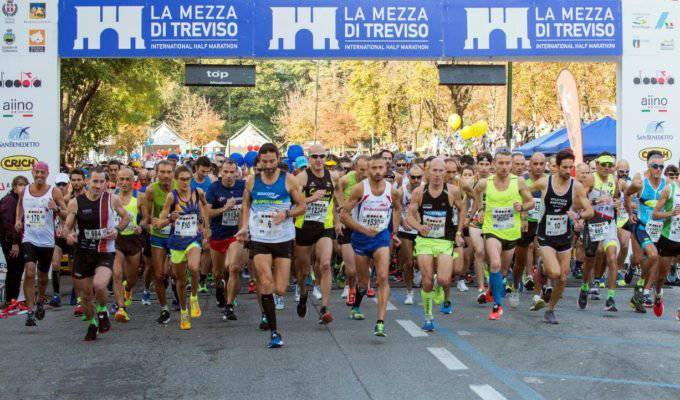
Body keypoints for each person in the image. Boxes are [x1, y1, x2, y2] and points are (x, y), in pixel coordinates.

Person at [236, 143, 306, 348]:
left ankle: (299, 293)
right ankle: (275, 332)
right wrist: (244, 228)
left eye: (272, 161)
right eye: (264, 162)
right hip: (260, 238)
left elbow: (302, 206)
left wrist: (286, 214)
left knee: (281, 289)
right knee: (265, 282)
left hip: (283, 238)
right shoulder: (251, 181)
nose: (268, 165)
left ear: (278, 160)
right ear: (259, 161)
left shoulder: (288, 180)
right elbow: (246, 205)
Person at [63, 167, 130, 341]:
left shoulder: (112, 199)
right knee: (85, 296)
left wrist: (116, 229)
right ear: (87, 182)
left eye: (102, 182)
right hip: (83, 252)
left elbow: (126, 218)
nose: (98, 185)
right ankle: (92, 323)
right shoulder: (76, 202)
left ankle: (102, 311)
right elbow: (67, 227)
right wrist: (69, 235)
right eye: (95, 181)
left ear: (106, 183)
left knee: (100, 286)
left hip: (104, 250)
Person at [341, 153, 402, 337]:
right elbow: (344, 215)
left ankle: (380, 322)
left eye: (381, 168)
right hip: (361, 238)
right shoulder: (360, 189)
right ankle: (356, 305)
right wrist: (362, 229)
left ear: (386, 169)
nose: (377, 171)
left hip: (382, 237)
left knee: (383, 277)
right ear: (367, 170)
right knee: (363, 282)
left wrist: (395, 231)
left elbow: (397, 209)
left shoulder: (393, 191)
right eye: (373, 168)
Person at [530, 150, 593, 323]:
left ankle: (550, 310)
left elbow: (589, 210)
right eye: (564, 167)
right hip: (545, 235)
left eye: (570, 167)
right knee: (555, 272)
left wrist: (578, 217)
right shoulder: (545, 182)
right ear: (557, 167)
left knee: (563, 278)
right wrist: (522, 206)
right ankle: (543, 267)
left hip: (564, 236)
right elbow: (524, 191)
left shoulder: (576, 186)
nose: (568, 171)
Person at [473, 148, 534, 320]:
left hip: (511, 232)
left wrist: (522, 207)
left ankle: (492, 290)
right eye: (501, 163)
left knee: (504, 271)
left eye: (508, 163)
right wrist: (481, 208)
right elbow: (476, 192)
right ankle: (497, 306)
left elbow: (530, 202)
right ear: (494, 164)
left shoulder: (519, 182)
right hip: (492, 230)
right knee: (494, 263)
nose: (505, 167)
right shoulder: (486, 182)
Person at [406, 158, 465, 331]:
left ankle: (440, 288)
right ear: (427, 171)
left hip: (445, 240)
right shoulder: (419, 192)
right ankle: (428, 316)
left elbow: (462, 210)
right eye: (434, 170)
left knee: (444, 279)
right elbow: (409, 216)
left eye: (441, 171)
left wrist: (459, 232)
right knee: (426, 280)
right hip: (425, 241)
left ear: (445, 173)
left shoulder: (453, 191)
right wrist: (419, 226)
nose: (438, 175)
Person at [15, 162, 68, 326]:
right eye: (36, 172)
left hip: (47, 241)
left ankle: (40, 301)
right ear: (32, 172)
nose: (39, 175)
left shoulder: (54, 191)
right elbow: (19, 206)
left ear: (47, 174)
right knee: (30, 272)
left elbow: (67, 214)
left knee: (43, 276)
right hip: (29, 238)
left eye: (42, 173)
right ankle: (30, 311)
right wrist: (18, 219)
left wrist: (56, 209)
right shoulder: (25, 190)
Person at [294, 144, 341, 324]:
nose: (319, 160)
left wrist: (337, 222)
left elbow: (336, 202)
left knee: (326, 264)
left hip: (324, 227)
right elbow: (295, 204)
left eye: (322, 156)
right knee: (303, 270)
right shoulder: (301, 178)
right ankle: (304, 293)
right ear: (309, 159)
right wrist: (311, 198)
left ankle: (324, 308)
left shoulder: (333, 177)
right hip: (304, 227)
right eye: (315, 156)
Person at [156, 166, 208, 330]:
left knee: (193, 267)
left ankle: (194, 297)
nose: (185, 182)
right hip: (177, 241)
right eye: (182, 179)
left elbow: (205, 207)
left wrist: (205, 226)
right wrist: (170, 219)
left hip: (193, 238)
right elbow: (159, 222)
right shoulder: (172, 197)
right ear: (176, 180)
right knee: (180, 280)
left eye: (187, 179)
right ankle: (184, 311)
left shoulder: (198, 192)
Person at [205, 160, 247, 321]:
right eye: (226, 172)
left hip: (235, 234)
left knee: (233, 268)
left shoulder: (243, 186)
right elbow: (207, 212)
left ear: (237, 173)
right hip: (218, 234)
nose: (229, 176)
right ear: (221, 172)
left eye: (232, 172)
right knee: (218, 272)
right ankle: (219, 288)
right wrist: (224, 208)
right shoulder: (214, 188)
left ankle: (229, 306)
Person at [625, 151, 667, 313]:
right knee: (652, 256)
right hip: (642, 227)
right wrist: (630, 213)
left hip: (659, 229)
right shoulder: (640, 183)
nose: (658, 169)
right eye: (655, 166)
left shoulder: (666, 184)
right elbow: (627, 194)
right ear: (648, 166)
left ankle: (640, 291)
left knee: (654, 264)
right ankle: (641, 288)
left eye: (661, 166)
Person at [511, 152, 546, 309]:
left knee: (542, 258)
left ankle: (537, 294)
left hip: (543, 224)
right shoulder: (523, 180)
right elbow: (519, 201)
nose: (538, 167)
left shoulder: (549, 181)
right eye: (535, 164)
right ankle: (515, 286)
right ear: (529, 165)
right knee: (520, 261)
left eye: (541, 164)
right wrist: (523, 216)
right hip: (526, 223)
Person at [111, 168, 145, 322]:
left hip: (133, 240)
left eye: (127, 179)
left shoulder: (140, 197)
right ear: (117, 180)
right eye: (121, 179)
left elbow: (146, 218)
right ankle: (121, 308)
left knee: (132, 278)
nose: (124, 182)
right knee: (117, 273)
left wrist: (141, 226)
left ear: (133, 181)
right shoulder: (111, 198)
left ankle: (128, 289)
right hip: (116, 240)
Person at [144, 160, 175, 324]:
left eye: (169, 172)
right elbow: (147, 215)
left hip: (177, 234)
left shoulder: (179, 187)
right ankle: (164, 309)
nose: (165, 175)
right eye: (162, 172)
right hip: (158, 235)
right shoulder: (151, 190)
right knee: (158, 274)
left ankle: (176, 288)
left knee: (174, 273)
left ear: (173, 173)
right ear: (156, 173)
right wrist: (150, 224)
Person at [337, 155, 369, 305]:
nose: (364, 173)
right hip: (348, 225)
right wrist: (341, 213)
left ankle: (362, 285)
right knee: (351, 269)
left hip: (364, 226)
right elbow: (336, 191)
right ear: (355, 168)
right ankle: (351, 289)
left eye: (367, 169)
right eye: (361, 169)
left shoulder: (373, 182)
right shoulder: (346, 179)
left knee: (363, 264)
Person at [652, 168, 680, 318]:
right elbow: (655, 214)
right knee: (662, 276)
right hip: (669, 238)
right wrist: (671, 213)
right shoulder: (670, 189)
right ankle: (657, 294)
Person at [0, 176, 28, 306]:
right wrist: (14, 243)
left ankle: (12, 299)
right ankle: (10, 300)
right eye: (20, 185)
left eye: (25, 185)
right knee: (14, 270)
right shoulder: (10, 201)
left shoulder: (21, 200)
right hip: (10, 241)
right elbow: (8, 224)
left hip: (19, 240)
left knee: (17, 270)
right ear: (14, 187)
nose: (22, 187)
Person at [397, 165, 423, 305]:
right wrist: (402, 221)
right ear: (408, 176)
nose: (416, 180)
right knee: (408, 262)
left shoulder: (425, 190)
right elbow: (396, 209)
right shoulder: (402, 191)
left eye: (419, 177)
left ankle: (420, 273)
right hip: (405, 228)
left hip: (420, 229)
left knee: (420, 260)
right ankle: (409, 292)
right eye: (413, 177)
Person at [48, 173, 71, 307]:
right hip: (57, 237)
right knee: (56, 264)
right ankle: (56, 295)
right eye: (59, 185)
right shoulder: (52, 198)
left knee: (73, 267)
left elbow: (68, 213)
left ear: (69, 185)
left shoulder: (73, 198)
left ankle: (77, 295)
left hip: (72, 237)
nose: (61, 187)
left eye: (64, 184)